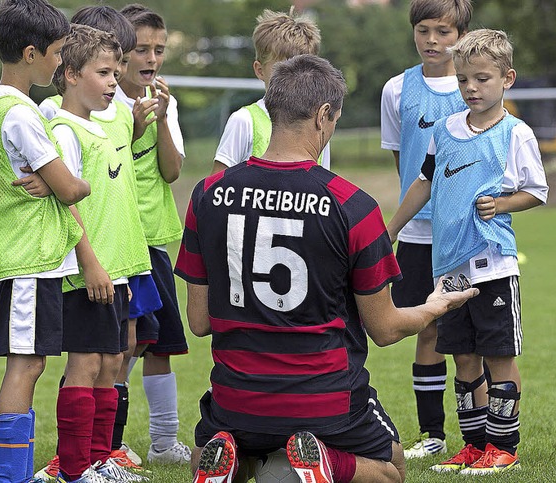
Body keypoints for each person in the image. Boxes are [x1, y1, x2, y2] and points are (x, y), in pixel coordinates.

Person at [175, 54, 479, 483]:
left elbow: (200, 322)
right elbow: (386, 329)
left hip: (238, 398)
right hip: (325, 399)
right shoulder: (352, 205)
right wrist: (436, 306)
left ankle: (233, 461)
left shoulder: (207, 195)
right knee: (393, 467)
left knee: (219, 442)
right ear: (322, 116)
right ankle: (325, 463)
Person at [386, 29, 548, 475]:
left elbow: (537, 191)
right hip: (449, 267)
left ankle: (504, 447)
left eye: (481, 79)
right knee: (462, 356)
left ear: (507, 79)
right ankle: (473, 445)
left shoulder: (517, 134)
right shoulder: (446, 129)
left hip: (493, 263)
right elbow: (423, 181)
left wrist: (501, 204)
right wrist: (392, 229)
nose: (471, 89)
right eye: (463, 81)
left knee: (499, 356)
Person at [35, 6, 157, 480]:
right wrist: (90, 262)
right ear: (69, 75)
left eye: (115, 71)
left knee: (111, 361)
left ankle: (102, 461)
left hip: (119, 264)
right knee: (85, 364)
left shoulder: (105, 123)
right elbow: (68, 203)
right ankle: (71, 468)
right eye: (103, 73)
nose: (113, 82)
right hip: (90, 267)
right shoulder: (63, 129)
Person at [0, 1, 91, 482]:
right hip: (29, 259)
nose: (62, 62)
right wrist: (69, 183)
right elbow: (72, 187)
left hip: (36, 260)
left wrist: (55, 182)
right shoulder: (20, 115)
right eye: (57, 52)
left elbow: (54, 183)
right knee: (25, 367)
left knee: (33, 363)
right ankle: (11, 477)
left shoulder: (7, 106)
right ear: (31, 53)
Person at [379, 0, 472, 459]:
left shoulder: (472, 88)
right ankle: (431, 434)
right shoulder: (396, 89)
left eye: (444, 31)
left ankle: (483, 435)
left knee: (472, 335)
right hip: (416, 233)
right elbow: (407, 163)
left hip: (465, 233)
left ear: (461, 36)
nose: (432, 40)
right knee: (428, 329)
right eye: (424, 30)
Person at [116, 3, 191, 465]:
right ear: (119, 52)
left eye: (158, 49)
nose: (151, 58)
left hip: (154, 241)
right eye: (141, 48)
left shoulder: (166, 100)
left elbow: (171, 171)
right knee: (121, 344)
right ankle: (110, 440)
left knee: (159, 342)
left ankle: (164, 443)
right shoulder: (101, 104)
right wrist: (134, 123)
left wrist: (161, 119)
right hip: (117, 242)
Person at [211, 8, 327, 175]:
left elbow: (323, 191)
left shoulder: (319, 126)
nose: (293, 76)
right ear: (260, 70)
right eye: (282, 68)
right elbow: (214, 190)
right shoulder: (244, 121)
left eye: (302, 67)